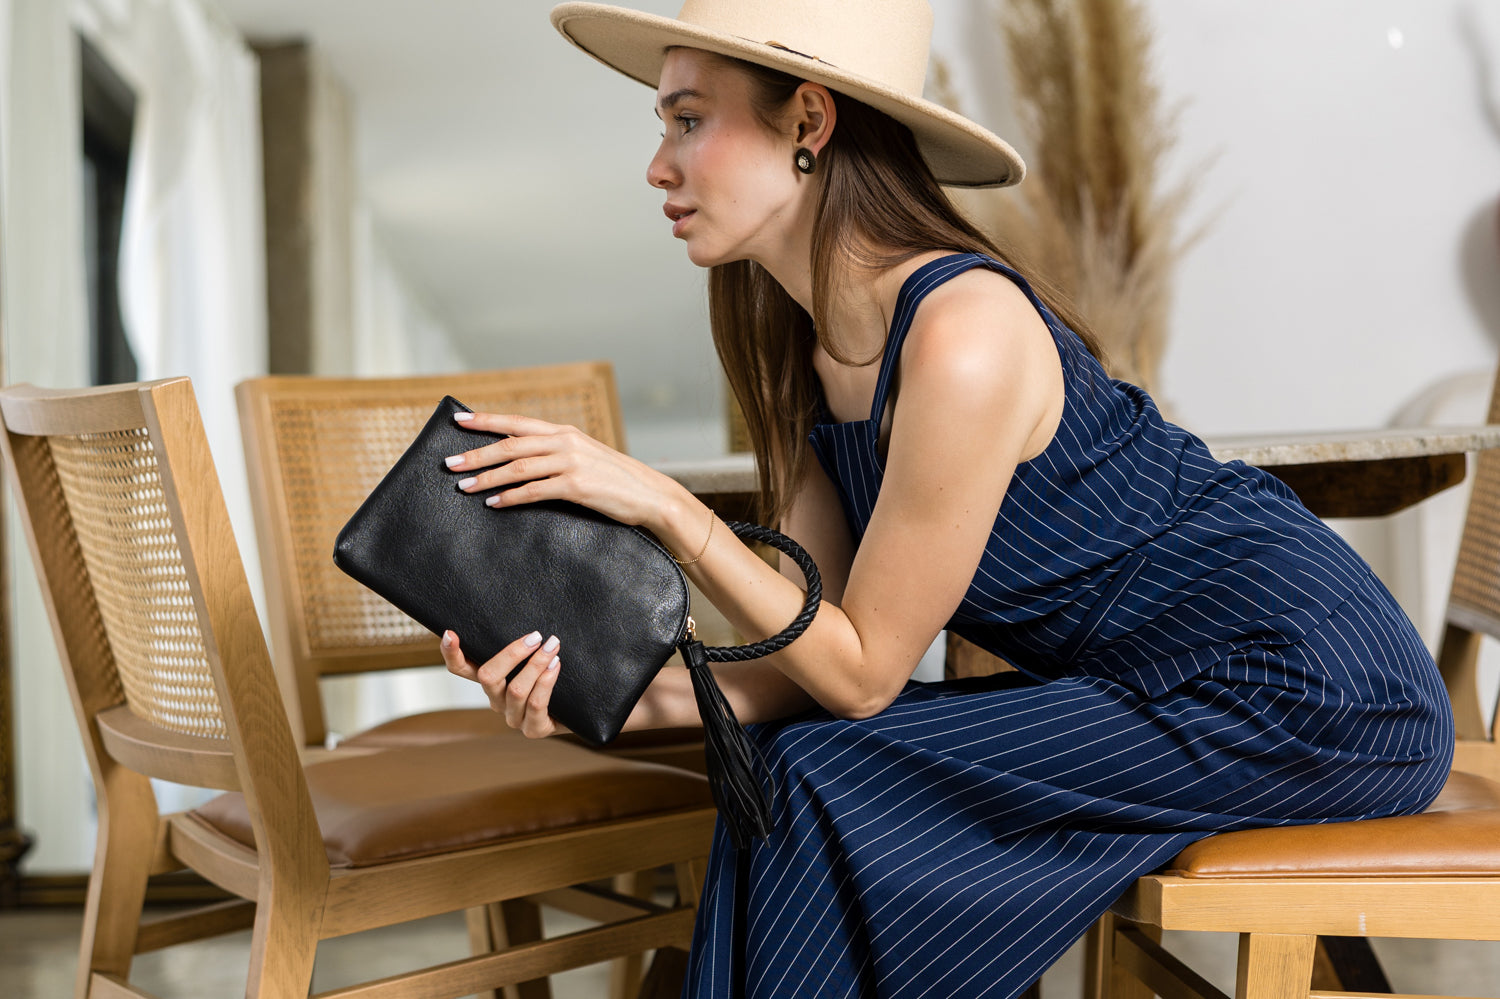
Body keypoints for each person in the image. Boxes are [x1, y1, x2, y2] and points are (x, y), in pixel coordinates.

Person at [437, 1, 1455, 995]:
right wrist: (582, 696)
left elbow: (867, 675)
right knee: (794, 756)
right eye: (662, 125)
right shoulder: (808, 346)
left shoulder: (962, 332)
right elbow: (798, 671)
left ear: (808, 122)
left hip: (1314, 689)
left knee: (831, 778)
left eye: (689, 120)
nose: (658, 164)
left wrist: (665, 504)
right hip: (1155, 688)